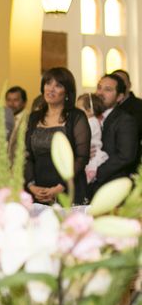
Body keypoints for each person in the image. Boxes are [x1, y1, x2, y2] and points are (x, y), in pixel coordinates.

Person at [24, 68, 90, 205]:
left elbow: (82, 157)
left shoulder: (76, 117)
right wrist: (31, 185)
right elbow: (27, 155)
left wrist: (60, 187)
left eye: (58, 85)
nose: (51, 89)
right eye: (48, 84)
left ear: (67, 92)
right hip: (38, 189)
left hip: (69, 187)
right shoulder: (34, 117)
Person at [88, 73, 138, 196]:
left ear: (119, 97)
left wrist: (96, 172)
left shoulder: (125, 120)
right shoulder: (88, 116)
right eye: (99, 87)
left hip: (111, 186)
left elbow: (125, 156)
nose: (100, 93)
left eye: (108, 89)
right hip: (88, 187)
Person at [112, 69, 142, 167]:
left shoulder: (139, 106)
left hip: (132, 161)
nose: (119, 84)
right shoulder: (106, 107)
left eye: (122, 80)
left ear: (129, 84)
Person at [76, 93, 109, 183]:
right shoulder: (93, 121)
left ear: (90, 110)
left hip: (92, 151)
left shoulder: (91, 122)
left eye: (79, 109)